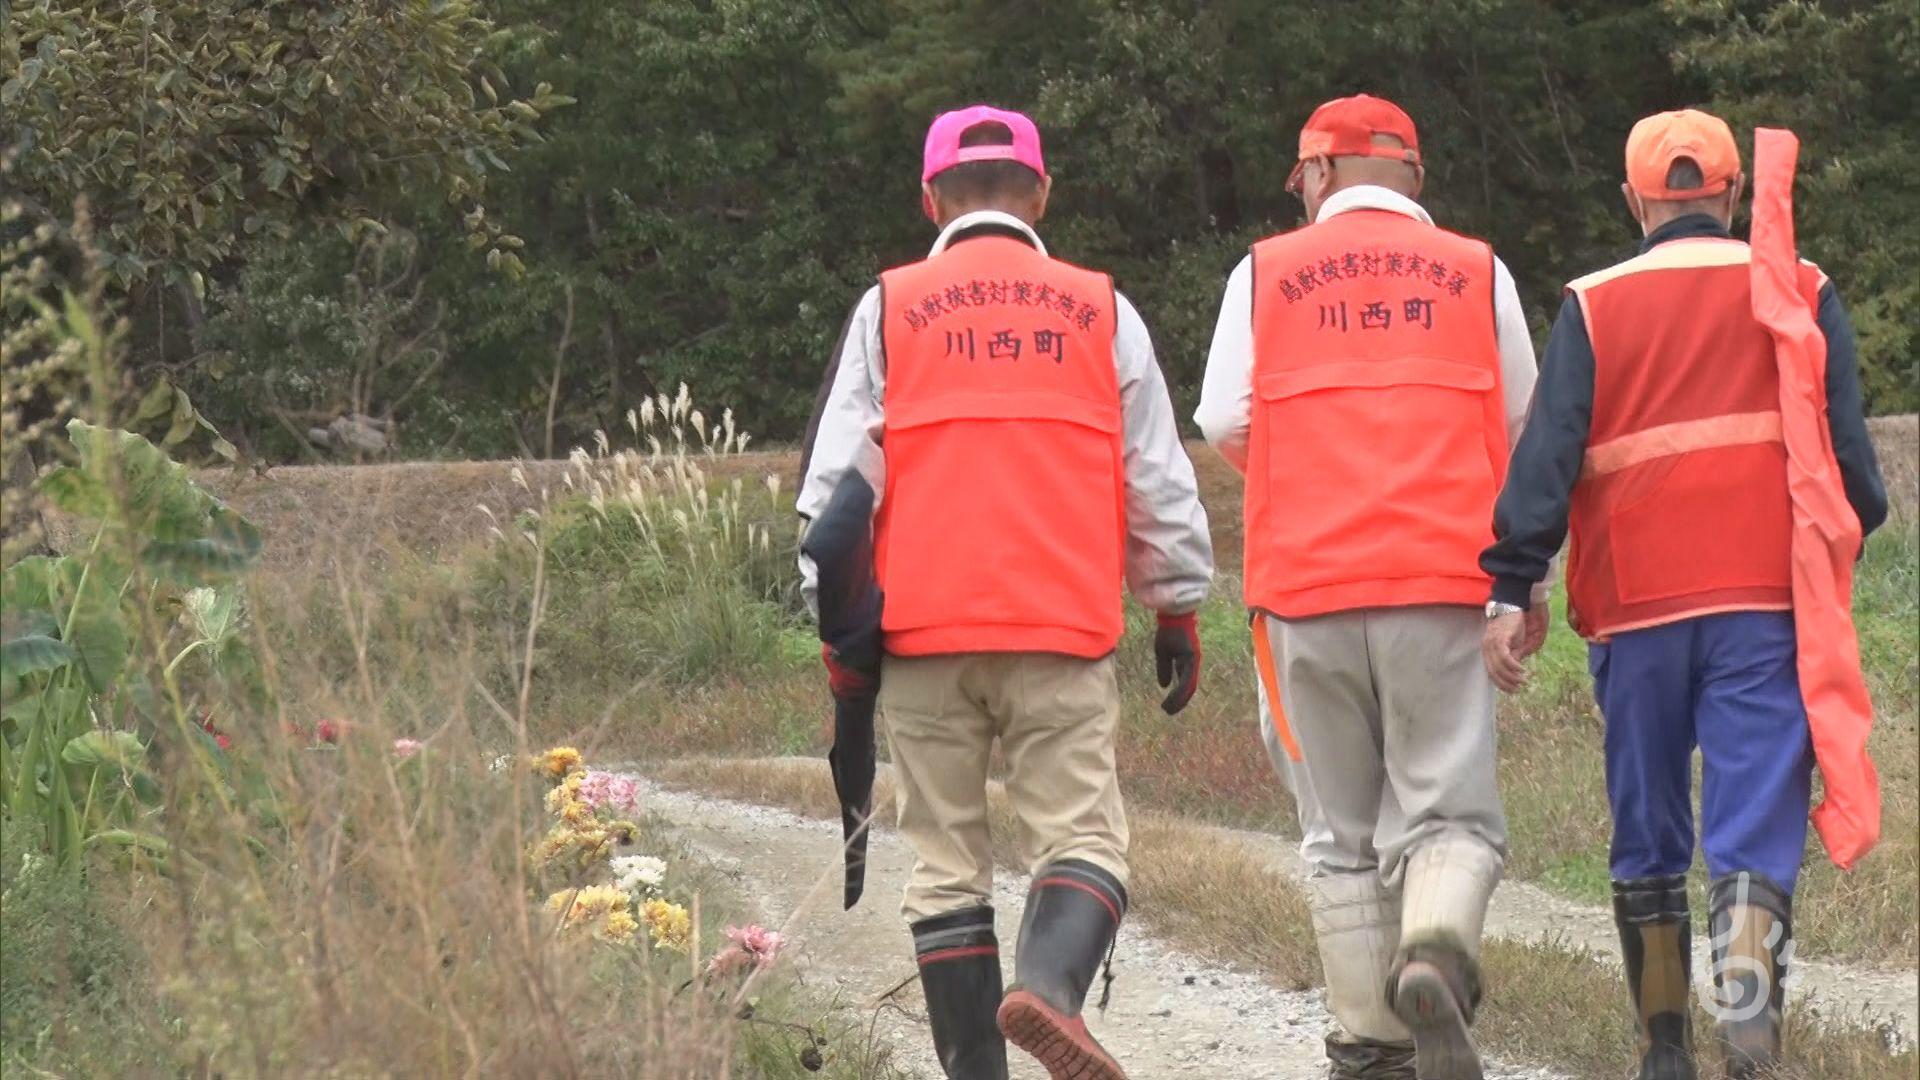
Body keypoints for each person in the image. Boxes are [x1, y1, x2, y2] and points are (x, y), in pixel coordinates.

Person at [797, 105, 1214, 1080]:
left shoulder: (888, 307)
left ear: (930, 197)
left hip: (921, 636)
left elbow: (832, 494)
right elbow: (1155, 477)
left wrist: (838, 635)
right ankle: (1051, 992)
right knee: (1084, 838)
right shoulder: (1101, 308)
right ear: (1042, 193)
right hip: (1058, 629)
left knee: (945, 864)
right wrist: (1176, 605)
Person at [1479, 109, 1888, 1080]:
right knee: (1752, 819)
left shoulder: (1595, 301)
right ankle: (1749, 1022)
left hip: (1636, 608)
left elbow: (1548, 456)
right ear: (1734, 193)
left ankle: (1665, 1049)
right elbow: (1854, 474)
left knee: (1649, 826)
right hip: (1763, 603)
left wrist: (1511, 585)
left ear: (1636, 200)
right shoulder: (1801, 290)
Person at [1195, 93, 1540, 1080]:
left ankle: (1367, 1045)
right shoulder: (1480, 271)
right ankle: (1432, 953)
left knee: (1337, 835)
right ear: (1415, 177)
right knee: (1452, 815)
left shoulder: (1262, 272)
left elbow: (1222, 415)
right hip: (1446, 580)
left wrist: (1304, 472)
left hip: (1302, 588)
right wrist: (1527, 578)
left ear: (1315, 175)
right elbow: (1525, 429)